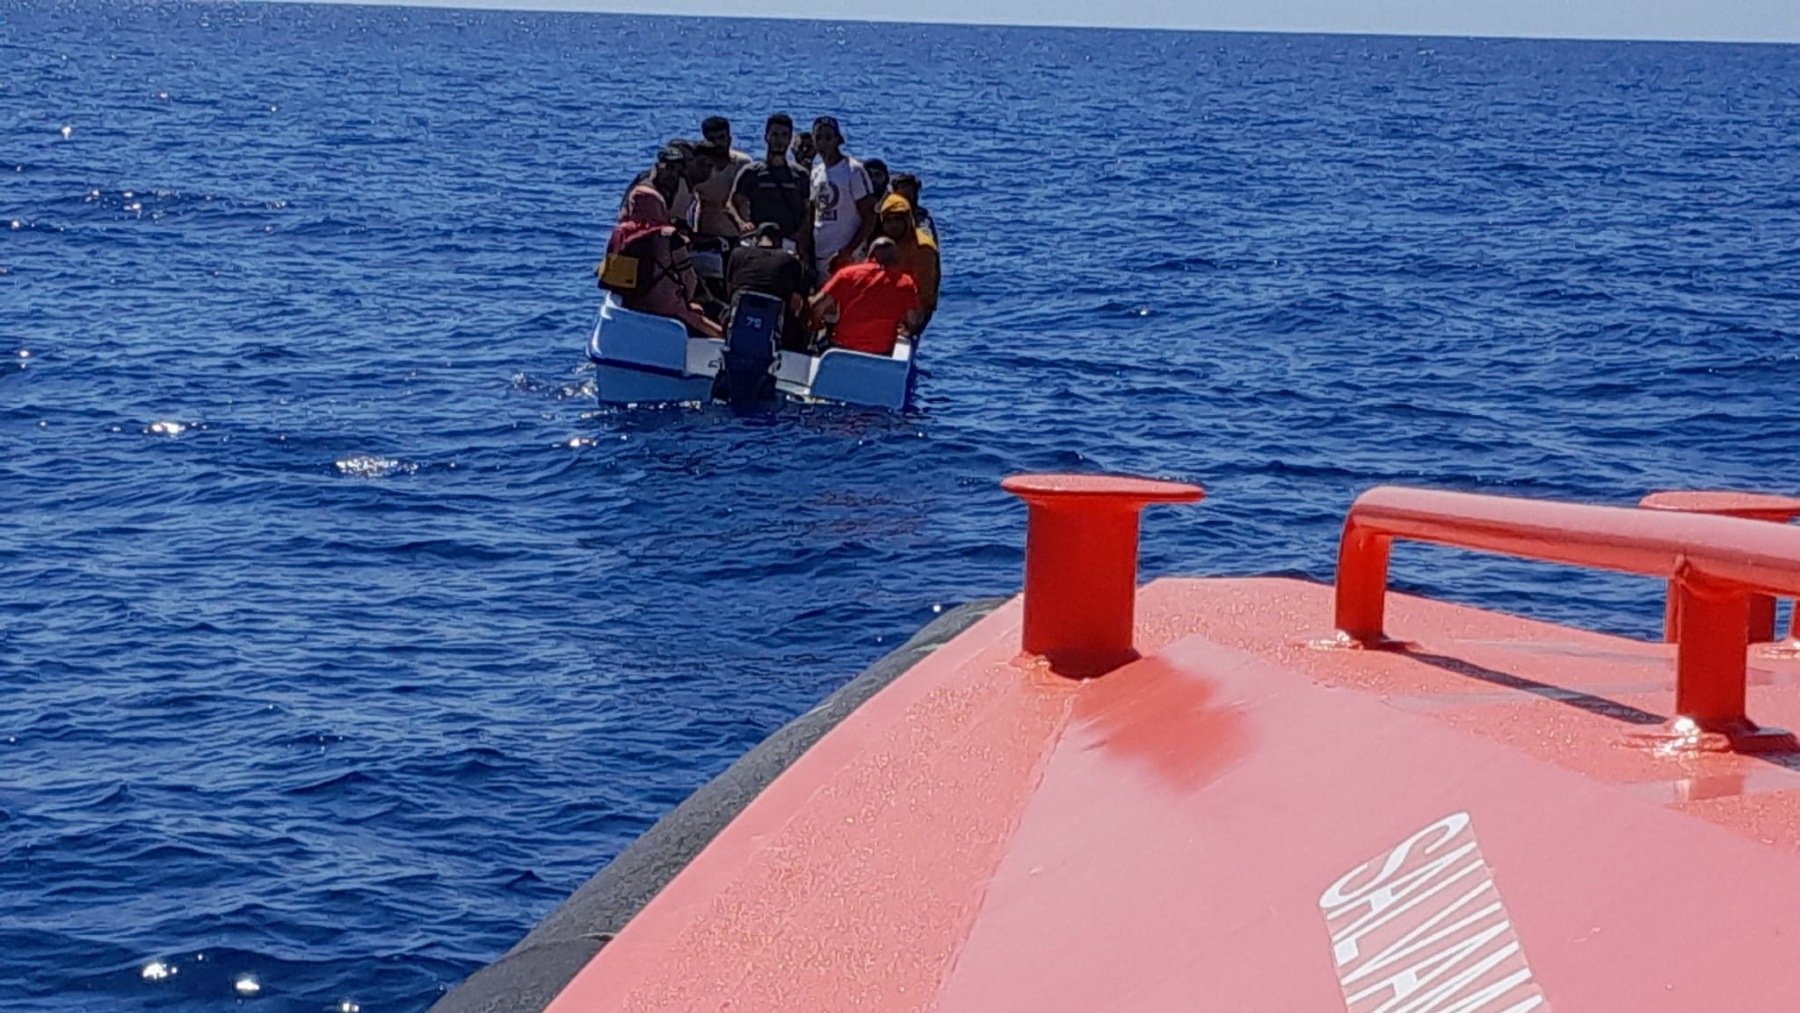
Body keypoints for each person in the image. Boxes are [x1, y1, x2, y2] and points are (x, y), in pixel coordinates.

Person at [601, 186, 722, 337]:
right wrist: (687, 301)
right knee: (703, 319)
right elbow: (689, 278)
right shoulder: (669, 236)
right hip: (664, 305)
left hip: (632, 303)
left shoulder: (620, 233)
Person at [809, 236, 919, 357]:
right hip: (880, 355)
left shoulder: (846, 274)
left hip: (841, 350)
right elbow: (913, 320)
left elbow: (817, 306)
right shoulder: (905, 283)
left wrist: (816, 324)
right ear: (896, 259)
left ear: (869, 255)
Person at [807, 116, 877, 281]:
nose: (823, 143)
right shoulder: (816, 173)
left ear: (838, 140)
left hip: (847, 257)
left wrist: (848, 251)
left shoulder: (853, 170)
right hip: (820, 257)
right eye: (819, 138)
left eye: (828, 138)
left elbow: (869, 216)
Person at [730, 114, 811, 251]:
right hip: (760, 241)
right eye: (774, 135)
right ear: (766, 137)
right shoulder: (752, 172)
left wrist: (801, 235)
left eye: (784, 135)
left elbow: (808, 211)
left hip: (789, 243)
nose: (779, 141)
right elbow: (731, 203)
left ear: (790, 139)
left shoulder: (800, 175)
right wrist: (741, 223)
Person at [727, 222, 810, 351]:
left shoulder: (737, 254)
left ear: (756, 239)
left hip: (738, 321)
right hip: (778, 332)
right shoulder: (790, 261)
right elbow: (796, 303)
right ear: (780, 241)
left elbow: (729, 290)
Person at [874, 193, 939, 330]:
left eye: (898, 219)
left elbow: (924, 293)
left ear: (908, 219)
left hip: (914, 307)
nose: (893, 225)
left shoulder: (922, 248)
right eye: (889, 221)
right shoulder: (884, 244)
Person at [693, 116, 752, 240]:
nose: (717, 143)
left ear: (729, 139)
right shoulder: (698, 169)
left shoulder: (743, 164)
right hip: (707, 236)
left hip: (740, 235)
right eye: (711, 139)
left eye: (721, 138)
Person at [620, 142, 699, 225]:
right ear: (658, 167)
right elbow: (624, 212)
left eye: (677, 169)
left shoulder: (686, 185)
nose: (672, 174)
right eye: (668, 168)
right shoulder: (644, 187)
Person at [890, 172, 937, 245]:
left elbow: (926, 234)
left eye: (909, 188)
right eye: (903, 187)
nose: (906, 190)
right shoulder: (886, 213)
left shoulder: (921, 216)